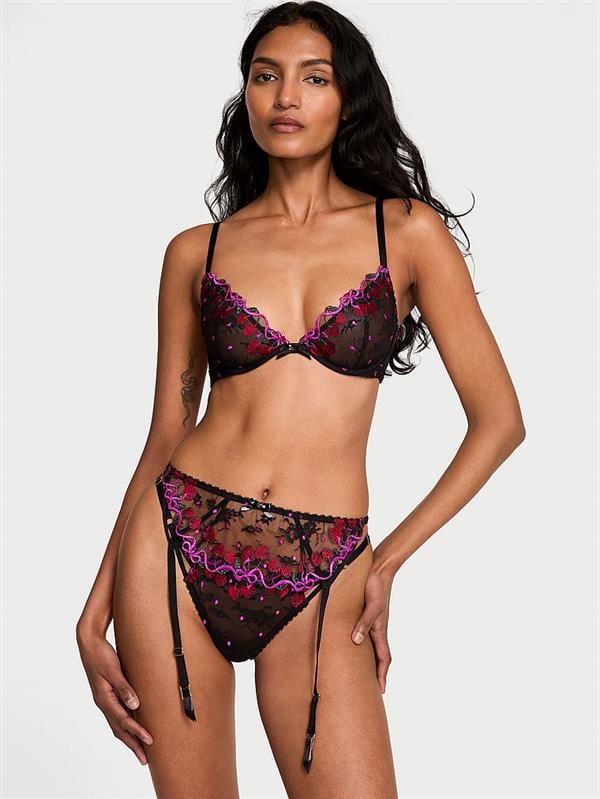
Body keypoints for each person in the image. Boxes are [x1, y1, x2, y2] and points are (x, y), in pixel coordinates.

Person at [76, 3, 526, 797]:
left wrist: (387, 561)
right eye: (266, 76)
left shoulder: (408, 234)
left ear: (347, 99)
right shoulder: (196, 252)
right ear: (246, 96)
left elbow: (500, 422)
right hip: (175, 545)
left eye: (313, 78)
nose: (286, 96)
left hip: (326, 568)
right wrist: (94, 608)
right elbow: (166, 432)